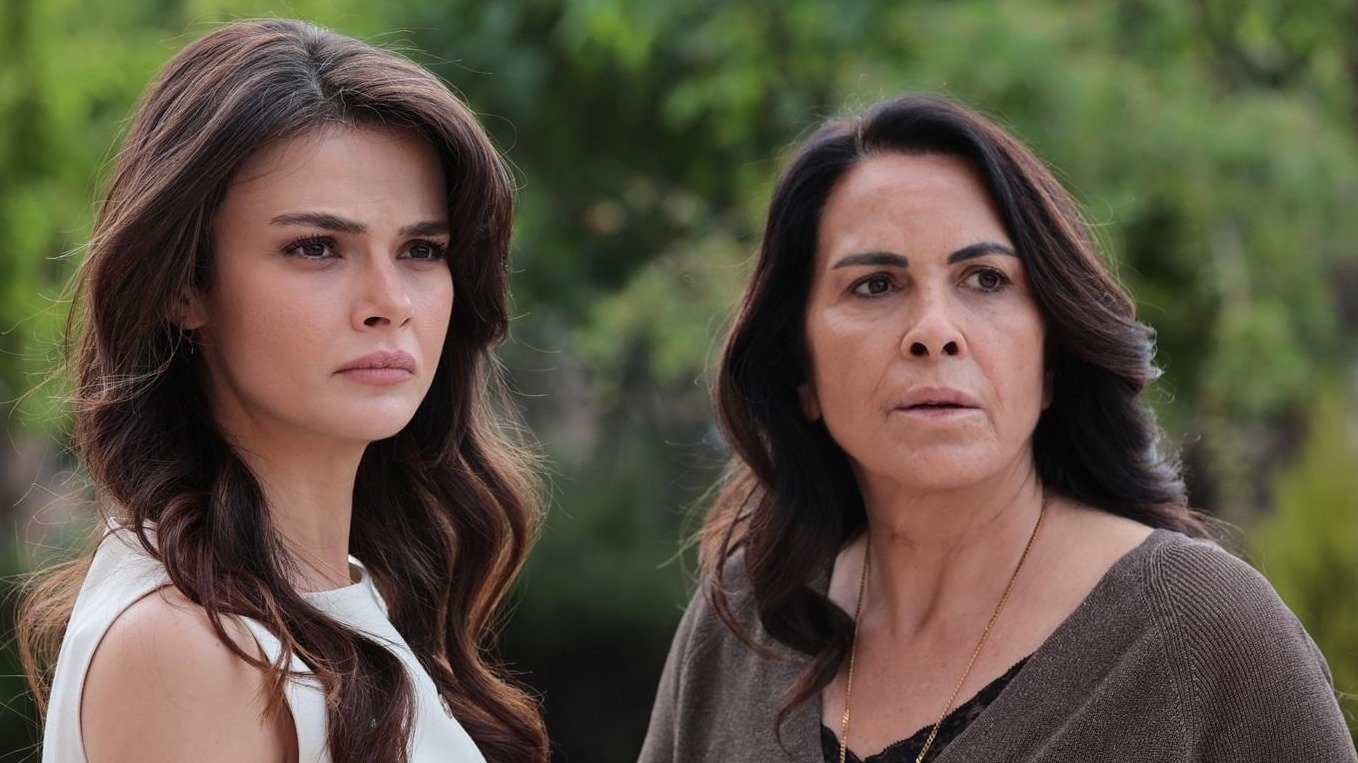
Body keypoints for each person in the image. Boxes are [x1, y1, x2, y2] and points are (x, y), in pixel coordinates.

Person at [638, 95, 1357, 763]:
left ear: (1051, 357)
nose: (934, 331)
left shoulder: (1200, 630)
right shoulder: (748, 616)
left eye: (985, 279)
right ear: (801, 372)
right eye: (875, 284)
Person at [17, 19, 547, 763]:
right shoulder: (188, 647)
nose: (389, 301)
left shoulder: (339, 600)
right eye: (316, 247)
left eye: (422, 249)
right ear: (184, 285)